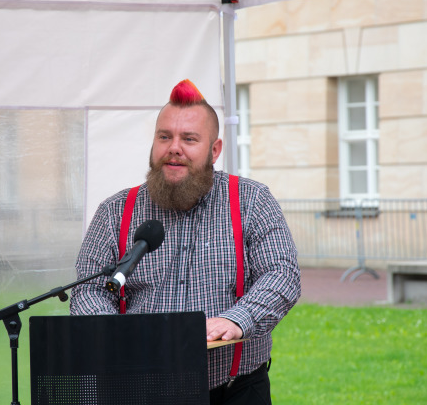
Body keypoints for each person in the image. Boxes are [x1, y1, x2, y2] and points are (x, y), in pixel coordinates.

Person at [70, 79, 301, 404]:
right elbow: (88, 289)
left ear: (215, 150)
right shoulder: (115, 211)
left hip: (234, 391)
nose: (174, 147)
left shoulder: (251, 201)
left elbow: (282, 275)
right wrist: (116, 335)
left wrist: (237, 319)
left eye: (189, 139)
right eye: (165, 137)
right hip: (139, 389)